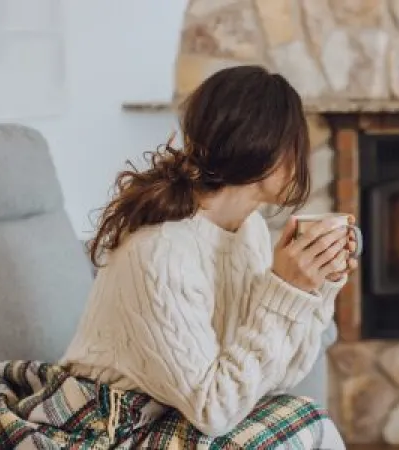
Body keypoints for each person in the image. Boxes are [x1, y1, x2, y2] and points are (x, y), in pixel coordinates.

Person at [61, 66, 355, 442]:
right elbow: (215, 410)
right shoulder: (161, 251)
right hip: (111, 421)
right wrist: (284, 291)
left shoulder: (249, 230)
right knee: (307, 427)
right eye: (297, 142)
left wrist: (315, 288)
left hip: (177, 409)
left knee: (306, 417)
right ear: (262, 145)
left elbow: (275, 379)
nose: (304, 157)